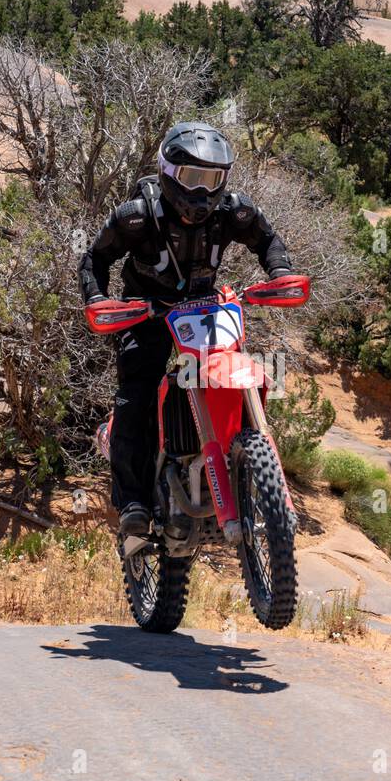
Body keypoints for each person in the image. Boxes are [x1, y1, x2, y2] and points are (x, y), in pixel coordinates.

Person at [79, 121, 293, 536]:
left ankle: (240, 461)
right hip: (145, 313)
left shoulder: (233, 210)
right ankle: (133, 501)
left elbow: (267, 240)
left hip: (203, 309)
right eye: (192, 177)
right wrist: (99, 300)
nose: (201, 191)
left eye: (211, 179)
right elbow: (94, 259)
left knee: (241, 368)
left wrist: (280, 272)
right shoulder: (137, 216)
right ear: (170, 172)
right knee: (136, 393)